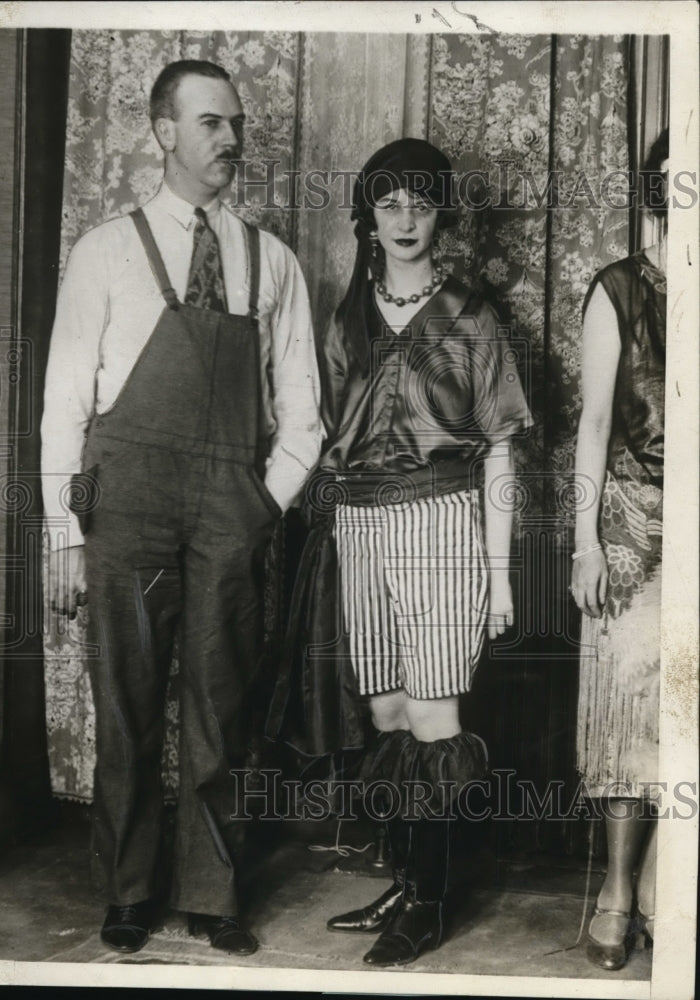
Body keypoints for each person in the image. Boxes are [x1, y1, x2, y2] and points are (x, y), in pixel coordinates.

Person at [41, 59, 322, 956]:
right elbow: (63, 406)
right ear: (163, 132)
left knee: (221, 702)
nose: (230, 140)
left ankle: (213, 890)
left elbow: (305, 415)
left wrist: (258, 506)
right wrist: (63, 534)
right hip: (126, 502)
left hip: (227, 507)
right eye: (210, 124)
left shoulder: (268, 259)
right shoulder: (103, 251)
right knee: (124, 701)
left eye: (235, 124)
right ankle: (127, 891)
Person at [309, 138, 532, 966]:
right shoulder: (346, 315)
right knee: (388, 713)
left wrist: (500, 579)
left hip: (443, 521)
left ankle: (433, 903)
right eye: (389, 202)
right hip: (359, 524)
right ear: (368, 215)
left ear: (442, 214)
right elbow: (325, 435)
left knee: (438, 721)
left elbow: (502, 447)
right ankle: (406, 879)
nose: (405, 218)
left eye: (422, 202)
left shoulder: (473, 314)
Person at [571, 128, 668, 971]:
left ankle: (675, 892)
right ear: (656, 190)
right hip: (633, 521)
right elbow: (595, 425)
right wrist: (583, 543)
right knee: (629, 718)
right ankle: (617, 893)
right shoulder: (620, 289)